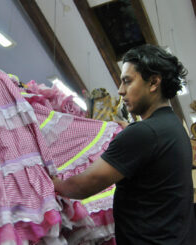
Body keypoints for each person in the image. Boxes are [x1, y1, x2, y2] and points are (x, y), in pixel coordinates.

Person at [53, 44, 196, 244]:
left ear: (154, 82)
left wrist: (52, 183)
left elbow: (85, 184)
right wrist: (131, 128)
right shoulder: (174, 128)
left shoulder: (144, 134)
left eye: (127, 82)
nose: (120, 91)